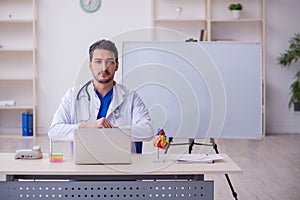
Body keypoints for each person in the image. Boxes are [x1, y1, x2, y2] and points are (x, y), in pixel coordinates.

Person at [48, 39, 154, 153]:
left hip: (121, 166)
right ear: (90, 65)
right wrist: (89, 127)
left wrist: (116, 132)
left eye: (109, 62)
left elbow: (148, 131)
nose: (104, 68)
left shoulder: (131, 97)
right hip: (84, 167)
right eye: (98, 62)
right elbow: (54, 132)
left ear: (116, 65)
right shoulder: (73, 95)